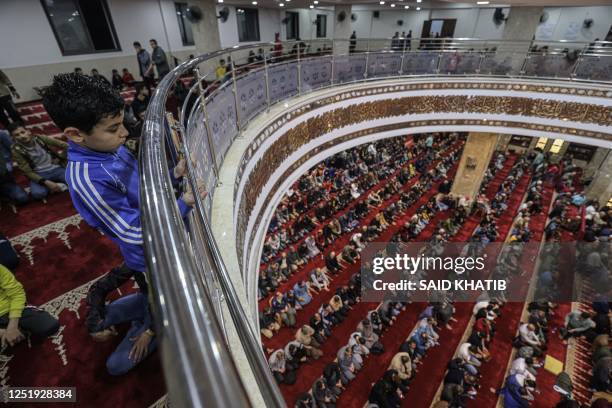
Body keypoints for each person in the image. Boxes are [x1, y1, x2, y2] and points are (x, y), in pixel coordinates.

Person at [41, 73, 204, 273]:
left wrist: (174, 174)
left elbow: (144, 187)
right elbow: (133, 232)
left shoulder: (109, 148)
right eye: (113, 129)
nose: (125, 132)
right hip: (153, 256)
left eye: (122, 123)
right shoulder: (87, 180)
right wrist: (183, 205)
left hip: (168, 225)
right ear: (75, 134)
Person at [0, 264, 59, 346]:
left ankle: (14, 331)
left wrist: (12, 325)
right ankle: (17, 331)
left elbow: (17, 294)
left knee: (50, 326)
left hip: (11, 308)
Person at [8, 122, 68, 200]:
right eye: (17, 135)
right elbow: (27, 171)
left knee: (75, 182)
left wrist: (60, 157)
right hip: (39, 174)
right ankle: (58, 185)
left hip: (56, 168)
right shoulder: (16, 150)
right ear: (13, 138)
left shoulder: (40, 138)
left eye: (23, 132)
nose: (22, 136)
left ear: (28, 131)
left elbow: (67, 146)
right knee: (38, 194)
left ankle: (57, 186)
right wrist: (46, 182)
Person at [0, 129, 29, 204]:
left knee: (22, 198)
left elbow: (12, 148)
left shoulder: (1, 134)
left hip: (4, 170)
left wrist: (8, 163)